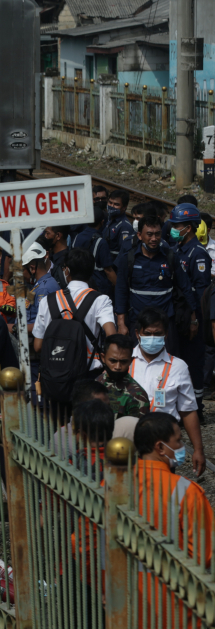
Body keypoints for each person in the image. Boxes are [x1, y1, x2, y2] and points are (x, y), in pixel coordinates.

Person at [132, 412, 214, 629]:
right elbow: (203, 556)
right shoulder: (186, 492)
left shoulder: (111, 484)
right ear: (160, 447)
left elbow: (83, 540)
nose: (181, 445)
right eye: (178, 440)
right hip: (173, 608)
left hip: (123, 602)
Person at [129, 307, 206, 477]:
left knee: (161, 494)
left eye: (158, 334)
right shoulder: (125, 362)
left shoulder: (178, 367)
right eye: (147, 333)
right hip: (128, 442)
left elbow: (188, 410)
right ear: (137, 334)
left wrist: (198, 450)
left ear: (166, 334)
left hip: (162, 448)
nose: (152, 338)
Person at [31, 248, 117, 374]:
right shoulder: (101, 300)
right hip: (89, 373)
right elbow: (111, 335)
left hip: (56, 375)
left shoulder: (47, 301)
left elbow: (38, 346)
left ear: (67, 271)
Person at [114, 215, 194, 339]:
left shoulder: (171, 257)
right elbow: (121, 291)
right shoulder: (128, 259)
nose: (154, 238)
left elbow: (186, 287)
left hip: (166, 324)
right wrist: (121, 323)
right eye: (149, 234)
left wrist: (193, 319)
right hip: (138, 322)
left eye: (157, 234)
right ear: (140, 235)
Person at [169, 202, 211, 411]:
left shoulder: (198, 253)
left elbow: (201, 292)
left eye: (179, 226)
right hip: (180, 314)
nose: (175, 230)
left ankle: (196, 408)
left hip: (192, 316)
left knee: (193, 362)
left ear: (190, 227)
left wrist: (195, 320)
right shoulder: (177, 249)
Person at [96, 333, 151, 420]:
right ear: (103, 358)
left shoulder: (137, 396)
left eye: (123, 362)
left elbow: (138, 431)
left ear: (131, 361)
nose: (118, 367)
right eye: (113, 361)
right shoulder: (95, 384)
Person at [69, 206, 116, 297]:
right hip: (98, 288)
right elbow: (108, 271)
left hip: (79, 285)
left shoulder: (76, 237)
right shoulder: (101, 242)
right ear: (102, 222)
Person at [103, 189, 135, 262]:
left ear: (124, 207)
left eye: (116, 204)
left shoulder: (124, 226)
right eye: (110, 203)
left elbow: (124, 253)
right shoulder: (110, 220)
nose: (112, 206)